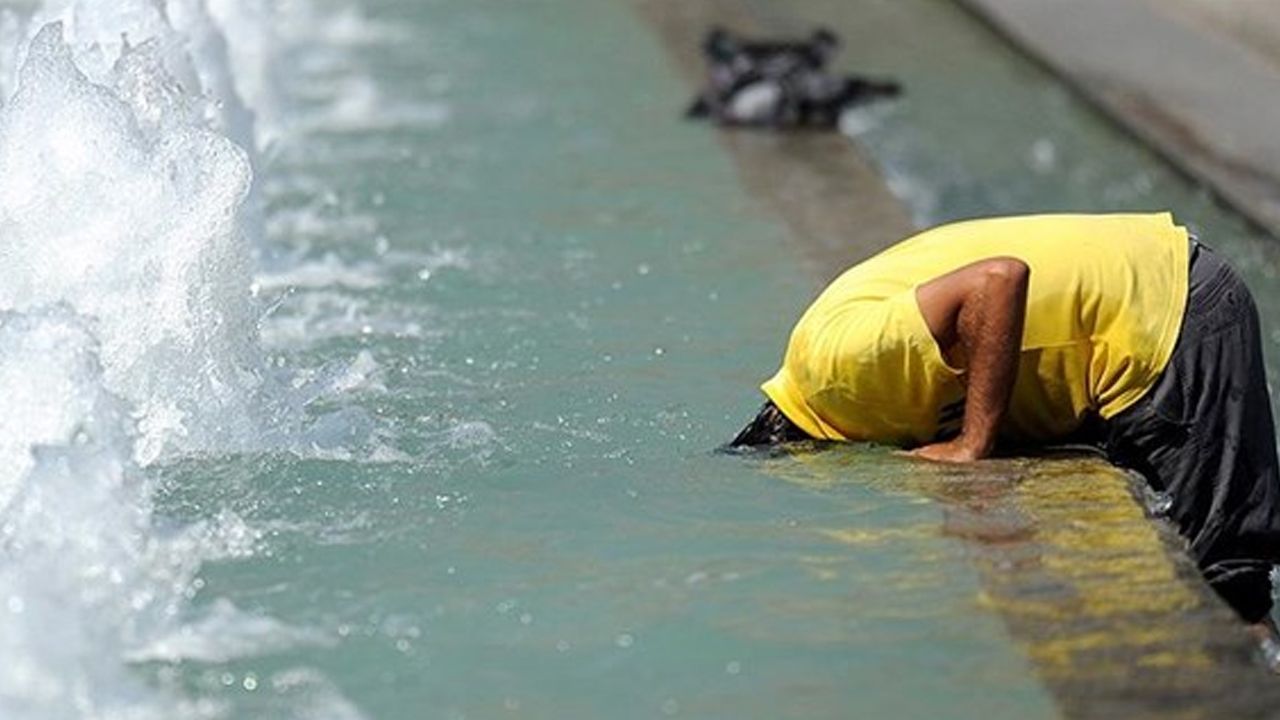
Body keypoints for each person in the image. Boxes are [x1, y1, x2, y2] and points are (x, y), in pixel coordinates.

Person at [732, 212, 1280, 629]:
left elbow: (999, 280)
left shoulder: (838, 371)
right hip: (1138, 305)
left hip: (1166, 315)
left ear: (799, 451)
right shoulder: (829, 372)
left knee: (1226, 584)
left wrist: (973, 442)